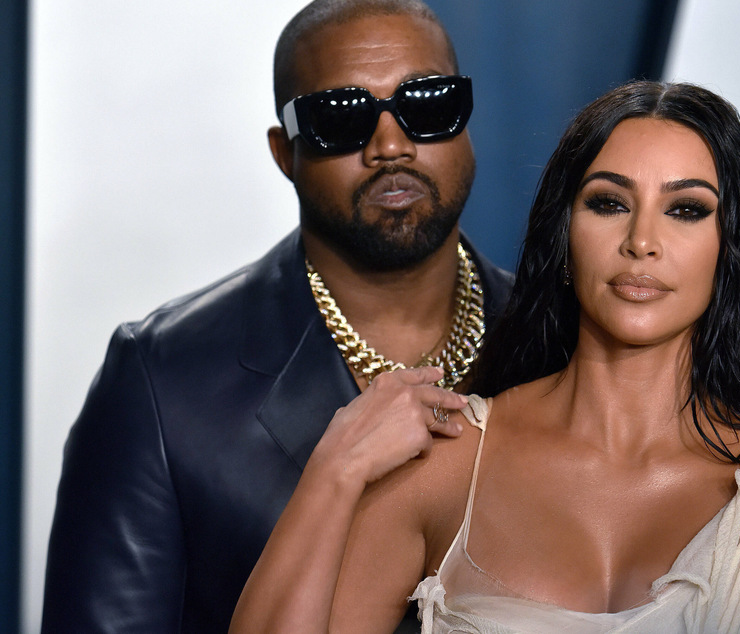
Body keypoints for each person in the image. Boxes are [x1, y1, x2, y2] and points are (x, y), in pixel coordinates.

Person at [230, 80, 740, 633]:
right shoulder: (444, 462)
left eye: (686, 210)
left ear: (732, 248)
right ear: (563, 232)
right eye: (608, 203)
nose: (641, 240)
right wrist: (335, 470)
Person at [41, 1, 513, 632]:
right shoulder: (159, 381)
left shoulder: (570, 338)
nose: (391, 145)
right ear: (283, 152)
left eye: (427, 105)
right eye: (340, 119)